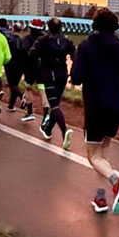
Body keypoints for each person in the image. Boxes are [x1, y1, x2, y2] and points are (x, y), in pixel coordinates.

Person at [70, 9, 119, 214]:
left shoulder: (86, 46)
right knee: (103, 154)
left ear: (94, 26)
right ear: (116, 27)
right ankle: (101, 197)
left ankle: (116, 181)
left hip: (94, 105)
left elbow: (76, 77)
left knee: (93, 156)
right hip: (117, 107)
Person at [30, 18, 75, 149]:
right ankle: (48, 129)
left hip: (48, 74)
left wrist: (40, 59)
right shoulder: (66, 41)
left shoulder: (43, 40)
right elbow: (75, 57)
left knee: (54, 105)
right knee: (56, 104)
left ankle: (64, 131)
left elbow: (32, 53)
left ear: (48, 27)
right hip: (62, 74)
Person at [19, 19, 45, 122]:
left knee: (28, 88)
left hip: (29, 68)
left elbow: (23, 53)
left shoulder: (27, 39)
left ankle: (30, 111)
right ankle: (46, 114)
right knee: (43, 91)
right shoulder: (46, 39)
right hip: (43, 68)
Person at [1, 23, 25, 113]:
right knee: (15, 84)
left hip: (10, 64)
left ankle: (22, 96)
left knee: (12, 85)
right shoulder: (23, 41)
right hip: (20, 66)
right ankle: (11, 105)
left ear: (13, 29)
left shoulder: (9, 39)